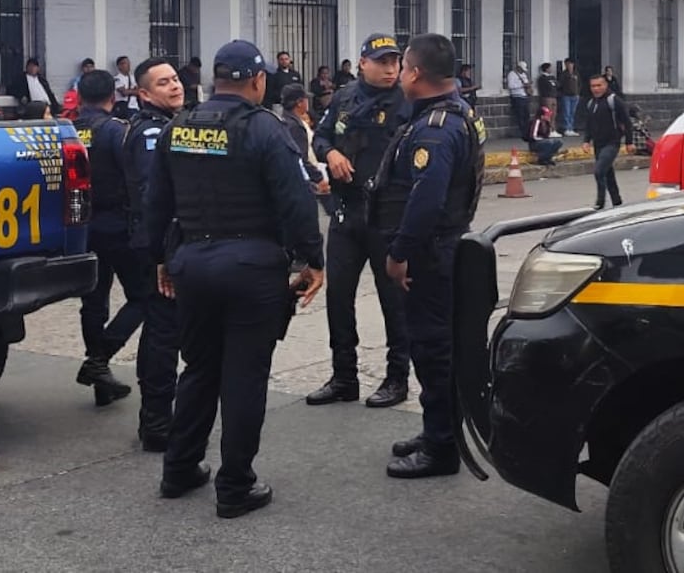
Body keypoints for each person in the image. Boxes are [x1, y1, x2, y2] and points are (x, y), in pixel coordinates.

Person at [144, 39, 325, 519]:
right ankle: (235, 486)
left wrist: (162, 259)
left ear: (215, 80)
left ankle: (179, 468)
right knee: (244, 376)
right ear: (258, 80)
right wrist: (313, 259)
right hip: (251, 267)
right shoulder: (265, 128)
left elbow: (156, 202)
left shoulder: (178, 128)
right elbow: (296, 200)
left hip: (193, 265)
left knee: (200, 368)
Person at [370, 33, 486, 478]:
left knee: (432, 348)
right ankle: (437, 429)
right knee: (435, 346)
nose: (398, 74)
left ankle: (440, 448)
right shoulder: (452, 115)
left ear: (415, 73)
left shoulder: (436, 129)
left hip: (431, 253)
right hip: (441, 247)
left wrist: (400, 253)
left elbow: (427, 199)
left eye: (403, 67)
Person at [306, 34, 414, 410]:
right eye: (382, 62)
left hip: (386, 216)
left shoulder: (407, 101)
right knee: (339, 298)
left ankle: (397, 377)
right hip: (346, 211)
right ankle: (343, 376)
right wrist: (331, 152)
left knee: (393, 302)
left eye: (394, 62)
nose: (390, 69)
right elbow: (319, 135)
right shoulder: (344, 97)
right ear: (363, 63)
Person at [123, 57, 187, 451]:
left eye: (176, 79)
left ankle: (157, 417)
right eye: (164, 83)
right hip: (158, 247)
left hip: (159, 243)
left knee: (159, 332)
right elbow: (155, 198)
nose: (175, 86)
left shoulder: (166, 126)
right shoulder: (151, 132)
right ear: (145, 93)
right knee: (165, 334)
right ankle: (158, 422)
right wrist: (165, 254)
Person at [71, 70, 144, 406]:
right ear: (112, 97)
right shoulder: (115, 131)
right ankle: (99, 358)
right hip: (117, 224)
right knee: (144, 295)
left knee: (94, 302)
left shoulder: (69, 130)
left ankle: (101, 379)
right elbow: (132, 177)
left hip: (83, 225)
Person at [583, 74, 632, 210]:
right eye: (593, 86)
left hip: (612, 142)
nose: (596, 89)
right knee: (608, 173)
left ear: (605, 85)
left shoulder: (614, 100)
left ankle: (600, 202)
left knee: (599, 171)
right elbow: (589, 124)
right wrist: (586, 141)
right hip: (598, 144)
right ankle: (617, 202)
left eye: (599, 85)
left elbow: (627, 122)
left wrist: (629, 142)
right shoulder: (591, 103)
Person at [505, 62, 531, 137]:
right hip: (517, 96)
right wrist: (522, 85)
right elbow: (511, 86)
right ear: (518, 67)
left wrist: (528, 85)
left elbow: (526, 83)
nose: (523, 71)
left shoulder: (524, 74)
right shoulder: (512, 74)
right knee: (520, 115)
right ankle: (523, 132)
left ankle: (527, 131)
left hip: (524, 96)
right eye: (522, 69)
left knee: (526, 115)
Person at [557, 59, 579, 136]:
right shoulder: (563, 74)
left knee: (572, 113)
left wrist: (578, 92)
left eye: (570, 64)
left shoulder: (576, 73)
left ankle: (571, 128)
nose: (569, 65)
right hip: (566, 95)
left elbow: (580, 83)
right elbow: (560, 84)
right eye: (567, 64)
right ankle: (566, 128)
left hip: (575, 95)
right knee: (566, 112)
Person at [535, 62, 558, 131]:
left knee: (554, 114)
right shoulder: (542, 78)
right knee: (547, 114)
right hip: (547, 97)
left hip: (553, 96)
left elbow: (557, 84)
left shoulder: (552, 77)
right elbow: (543, 87)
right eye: (550, 68)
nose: (551, 69)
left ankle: (553, 128)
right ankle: (546, 129)